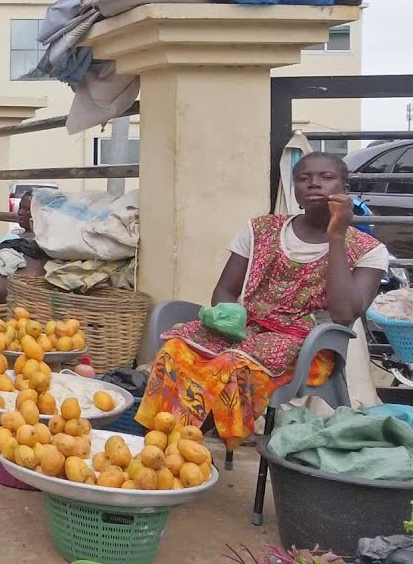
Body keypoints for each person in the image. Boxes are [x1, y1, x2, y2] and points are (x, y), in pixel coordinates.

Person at [135, 152, 387, 449]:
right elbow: (225, 290)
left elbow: (344, 315)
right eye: (304, 179)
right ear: (295, 189)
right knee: (178, 347)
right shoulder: (261, 230)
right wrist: (230, 320)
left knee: (232, 363)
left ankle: (198, 444)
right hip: (248, 331)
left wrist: (337, 236)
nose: (314, 185)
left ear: (345, 186)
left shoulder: (369, 249)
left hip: (309, 346)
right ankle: (162, 442)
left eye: (326, 178)